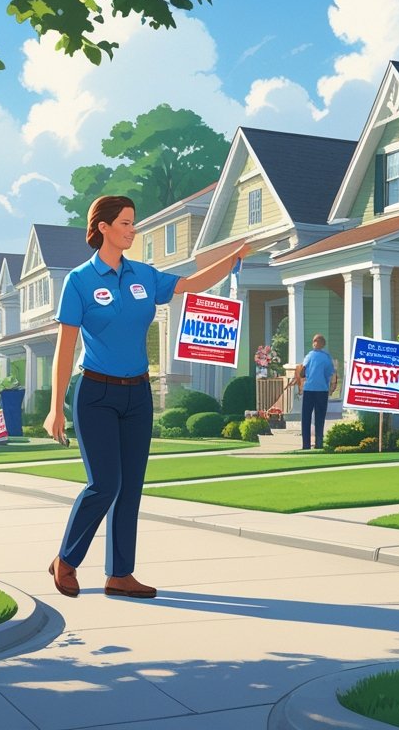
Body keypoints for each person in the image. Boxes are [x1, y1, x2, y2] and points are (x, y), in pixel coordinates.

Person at [43, 195, 248, 600]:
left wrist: (234, 257)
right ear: (102, 227)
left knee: (131, 486)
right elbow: (65, 348)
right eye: (124, 223)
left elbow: (189, 285)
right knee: (104, 483)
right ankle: (66, 560)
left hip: (138, 393)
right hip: (95, 392)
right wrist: (55, 409)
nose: (132, 229)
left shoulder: (144, 275)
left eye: (133, 223)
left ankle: (120, 574)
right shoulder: (80, 281)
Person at [296, 334, 337, 451]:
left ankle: (306, 445)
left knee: (306, 417)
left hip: (309, 389)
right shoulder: (326, 357)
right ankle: (319, 443)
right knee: (320, 418)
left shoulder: (309, 356)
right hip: (321, 390)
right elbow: (329, 373)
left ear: (314, 343)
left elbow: (302, 372)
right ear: (323, 344)